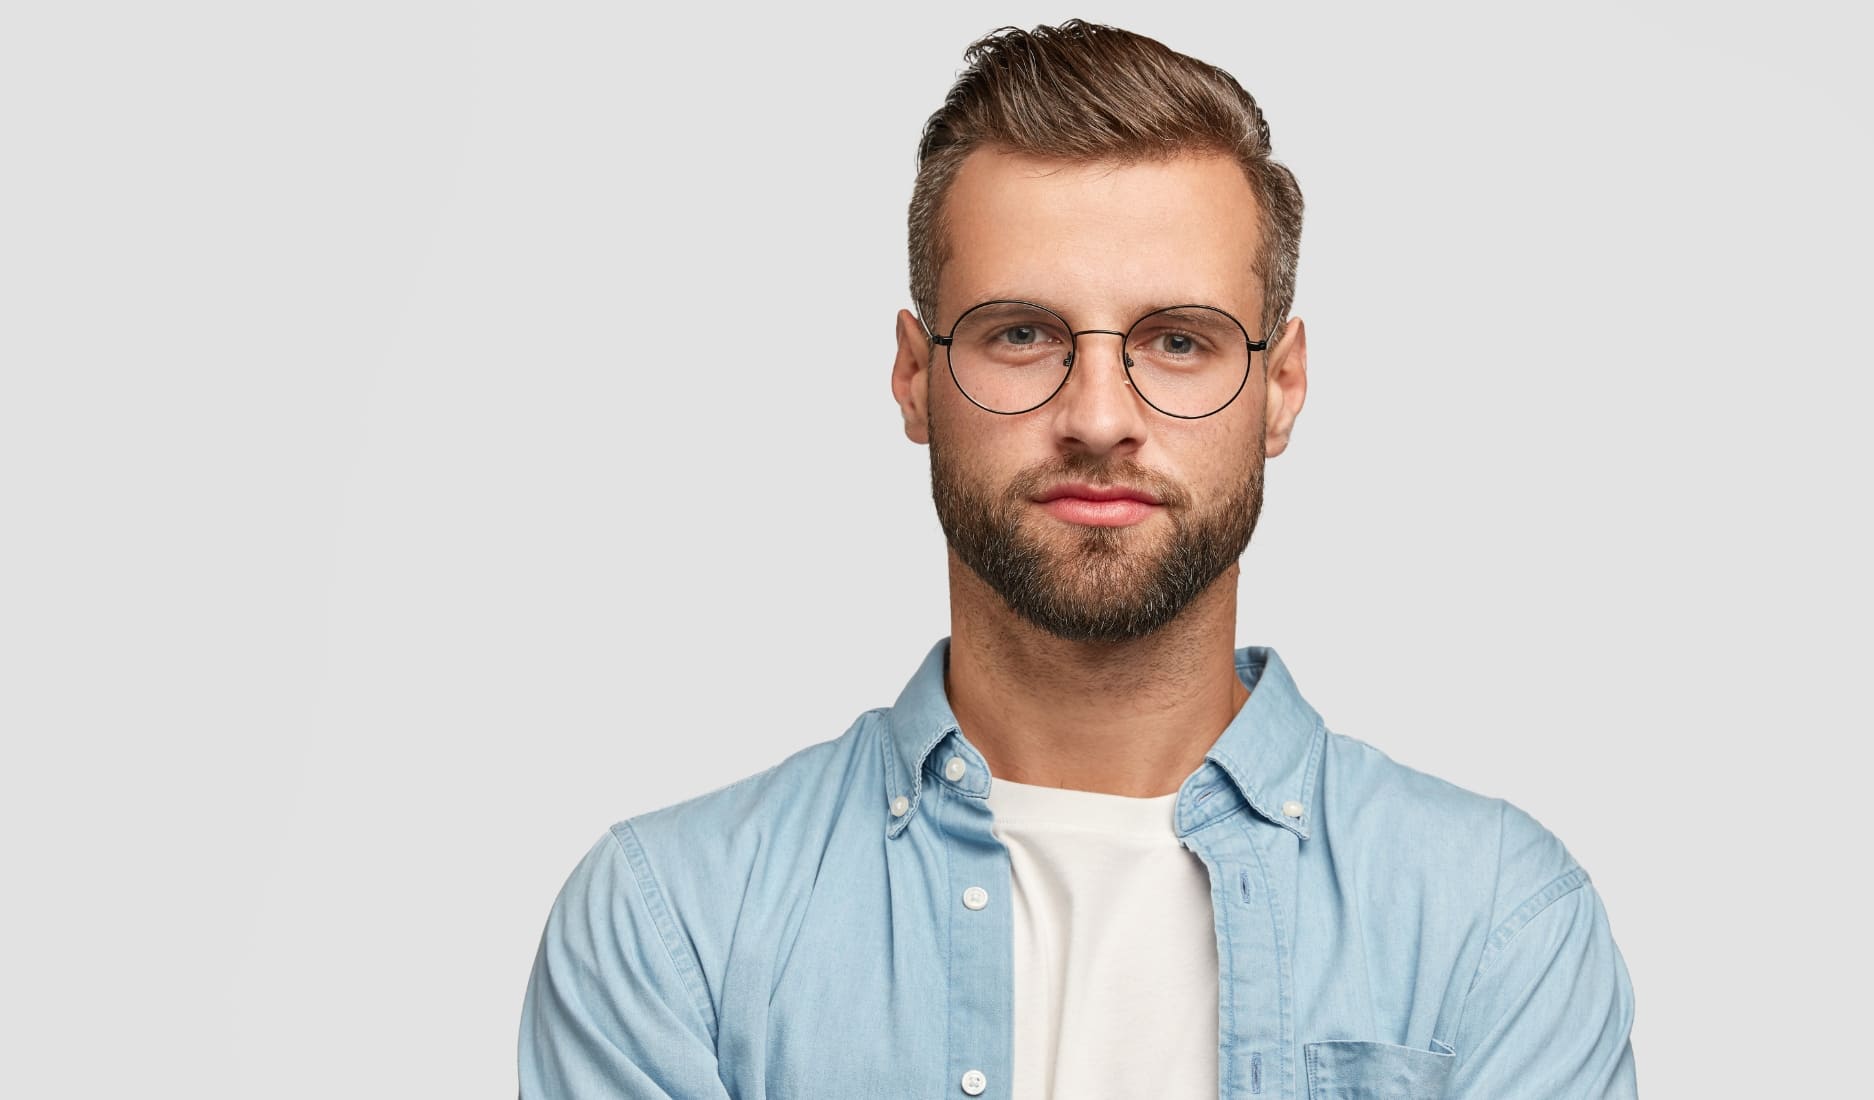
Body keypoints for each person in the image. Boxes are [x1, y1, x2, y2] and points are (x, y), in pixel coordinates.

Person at [518, 19, 1635, 1100]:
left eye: (1179, 341)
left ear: (1281, 386)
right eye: (1021, 333)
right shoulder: (675, 928)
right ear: (914, 375)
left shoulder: (1495, 927)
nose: (1099, 417)